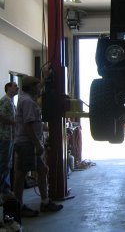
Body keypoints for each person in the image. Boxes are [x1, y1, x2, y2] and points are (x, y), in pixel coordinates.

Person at [13, 75, 63, 217]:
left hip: (28, 142)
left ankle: (45, 202)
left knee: (42, 170)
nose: (39, 88)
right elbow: (28, 126)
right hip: (27, 143)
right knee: (21, 174)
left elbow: (37, 87)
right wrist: (37, 144)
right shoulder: (28, 102)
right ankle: (18, 206)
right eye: (37, 86)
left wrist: (46, 77)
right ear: (31, 88)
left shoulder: (26, 97)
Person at [0, 82, 19, 202]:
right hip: (4, 136)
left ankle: (5, 189)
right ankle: (4, 191)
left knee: (8, 164)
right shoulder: (4, 100)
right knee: (4, 164)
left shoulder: (12, 102)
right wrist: (14, 123)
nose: (17, 88)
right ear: (8, 88)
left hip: (11, 136)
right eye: (14, 86)